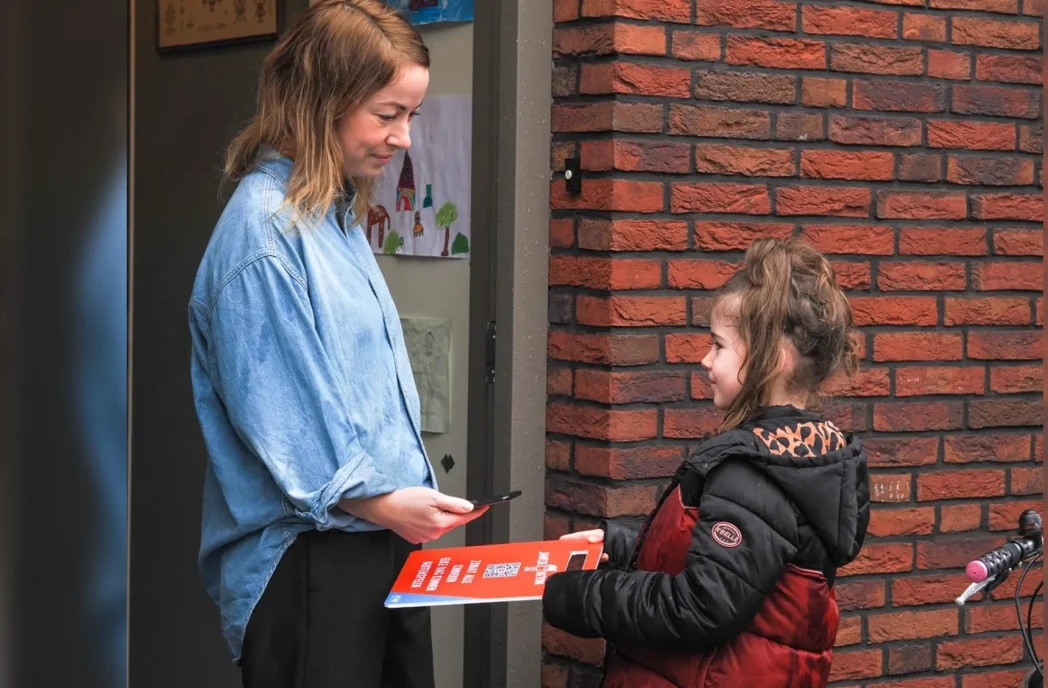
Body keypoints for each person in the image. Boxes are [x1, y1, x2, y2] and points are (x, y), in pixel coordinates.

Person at [187, 2, 483, 685]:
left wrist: (402, 506)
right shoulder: (263, 237)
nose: (404, 138)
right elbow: (288, 427)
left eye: (409, 115)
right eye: (388, 114)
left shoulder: (334, 219)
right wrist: (390, 504)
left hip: (376, 541)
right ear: (321, 104)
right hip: (310, 559)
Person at [542, 237, 872, 687]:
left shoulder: (754, 472)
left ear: (770, 360)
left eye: (718, 346)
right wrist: (619, 546)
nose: (704, 359)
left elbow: (699, 605)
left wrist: (580, 596)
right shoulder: (795, 461)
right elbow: (727, 564)